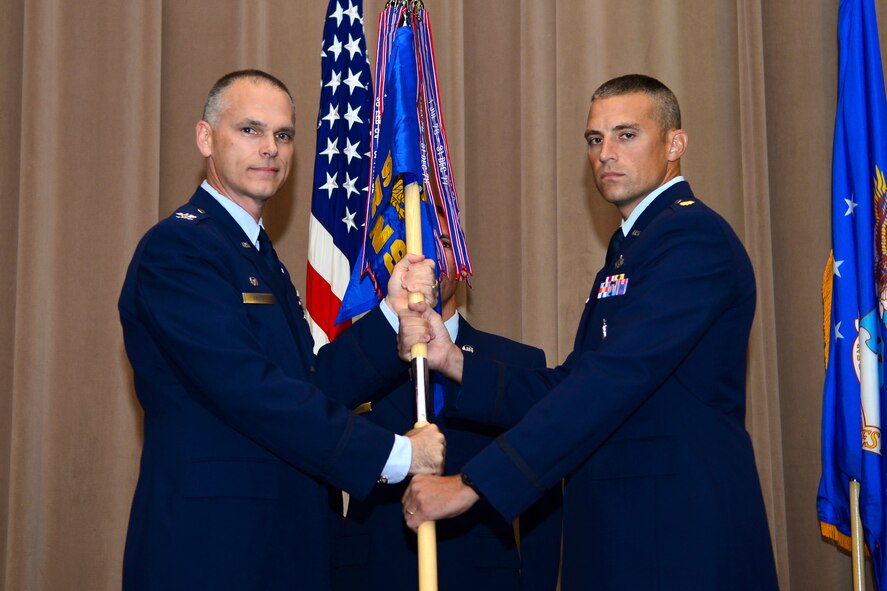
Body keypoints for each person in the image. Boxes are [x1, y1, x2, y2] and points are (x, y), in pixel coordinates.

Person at [401, 74, 780, 589]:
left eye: (627, 135)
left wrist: (473, 485)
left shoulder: (693, 239)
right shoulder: (634, 247)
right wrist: (453, 360)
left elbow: (610, 383)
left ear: (675, 144)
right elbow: (573, 383)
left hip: (676, 541)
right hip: (625, 537)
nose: (605, 153)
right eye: (595, 139)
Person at [118, 69, 445, 591]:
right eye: (250, 130)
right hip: (213, 551)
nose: (270, 148)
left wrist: (391, 319)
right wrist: (395, 455)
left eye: (284, 135)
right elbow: (247, 388)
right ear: (206, 138)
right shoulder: (179, 249)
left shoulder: (254, 253)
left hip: (284, 544)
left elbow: (307, 382)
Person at [330, 210, 562, 590]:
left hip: (481, 576)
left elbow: (542, 491)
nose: (428, 256)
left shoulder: (516, 363)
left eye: (443, 242)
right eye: (413, 242)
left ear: (464, 258)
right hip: (371, 574)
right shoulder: (358, 361)